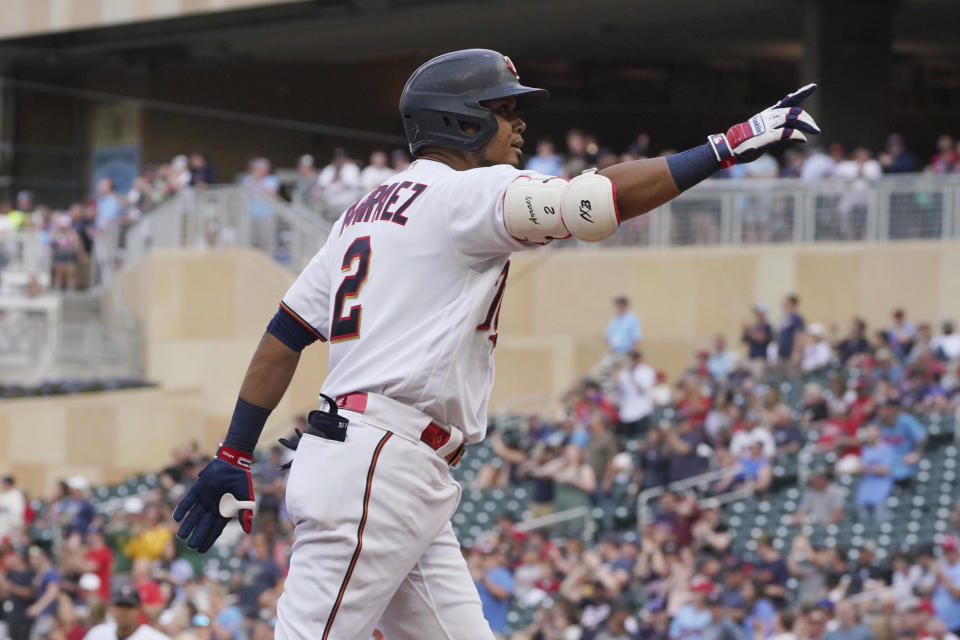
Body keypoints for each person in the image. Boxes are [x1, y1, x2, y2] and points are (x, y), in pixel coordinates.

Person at [171, 49, 820, 640]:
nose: (518, 127)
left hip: (386, 463)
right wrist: (722, 147)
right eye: (504, 111)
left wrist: (236, 448)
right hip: (380, 463)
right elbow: (596, 202)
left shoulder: (363, 211)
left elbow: (284, 334)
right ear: (460, 124)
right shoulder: (467, 193)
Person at [82, 583, 170, 640]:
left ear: (139, 610)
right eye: (119, 606)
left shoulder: (156, 638)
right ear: (110, 608)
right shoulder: (97, 633)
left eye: (129, 607)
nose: (124, 611)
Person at [877, 397, 926, 486]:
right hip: (886, 469)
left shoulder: (905, 420)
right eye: (880, 409)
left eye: (884, 409)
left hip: (904, 467)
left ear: (892, 409)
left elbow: (922, 436)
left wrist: (917, 453)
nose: (881, 412)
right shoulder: (879, 424)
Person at [855, 425, 895, 521]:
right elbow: (860, 469)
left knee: (880, 519)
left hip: (881, 490)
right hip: (865, 491)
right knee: (863, 520)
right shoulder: (865, 450)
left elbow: (886, 469)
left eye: (872, 431)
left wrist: (868, 469)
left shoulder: (887, 448)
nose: (870, 434)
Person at [932, 537, 960, 635]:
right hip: (938, 623)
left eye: (949, 551)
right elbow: (928, 593)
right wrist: (936, 578)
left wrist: (942, 576)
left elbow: (957, 595)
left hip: (956, 623)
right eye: (945, 551)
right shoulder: (940, 566)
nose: (947, 554)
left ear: (956, 551)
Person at [778, 295, 805, 365]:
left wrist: (796, 352)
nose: (785, 305)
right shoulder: (785, 318)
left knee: (792, 375)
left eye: (787, 303)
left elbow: (798, 335)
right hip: (782, 354)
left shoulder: (797, 318)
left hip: (791, 354)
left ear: (793, 304)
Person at [0, 475, 26, 540]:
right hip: (3, 526)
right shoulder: (5, 495)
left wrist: (15, 525)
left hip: (12, 527)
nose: (2, 486)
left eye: (3, 484)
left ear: (8, 484)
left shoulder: (16, 495)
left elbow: (17, 512)